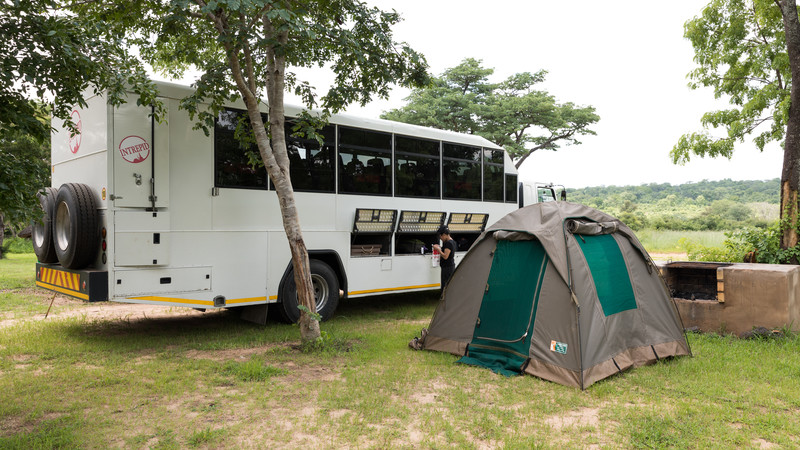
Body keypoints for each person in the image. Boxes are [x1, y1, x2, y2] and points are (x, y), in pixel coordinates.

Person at [433, 225, 458, 290]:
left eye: (440, 237)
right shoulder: (452, 242)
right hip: (450, 266)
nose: (440, 238)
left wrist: (437, 249)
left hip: (447, 268)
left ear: (444, 234)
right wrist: (439, 247)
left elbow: (445, 256)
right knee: (449, 285)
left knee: (445, 286)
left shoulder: (448, 243)